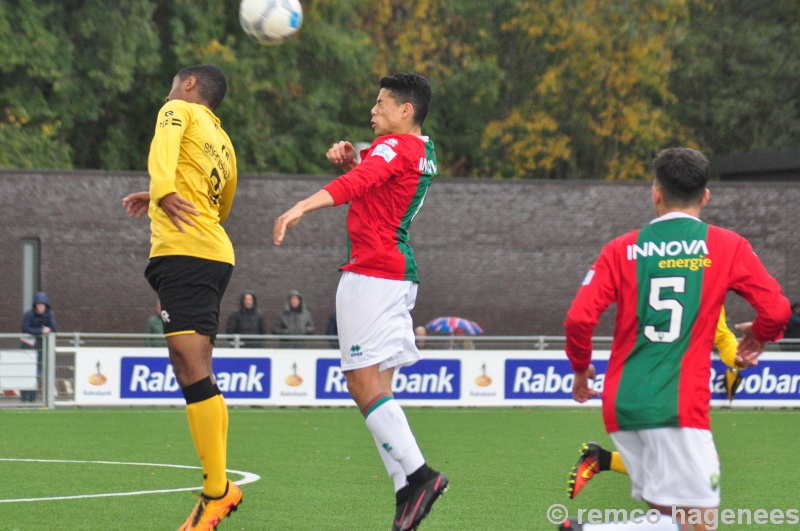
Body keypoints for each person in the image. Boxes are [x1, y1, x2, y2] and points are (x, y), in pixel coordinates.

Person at [560, 147, 790, 531]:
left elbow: (578, 319)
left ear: (656, 193)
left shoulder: (621, 250)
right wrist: (761, 338)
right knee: (699, 525)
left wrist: (581, 368)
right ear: (705, 196)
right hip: (677, 406)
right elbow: (778, 310)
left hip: (623, 405)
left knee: (667, 519)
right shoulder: (726, 246)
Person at [273, 73, 448, 531]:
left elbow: (361, 182)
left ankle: (421, 476)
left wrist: (300, 208)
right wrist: (353, 159)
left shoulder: (396, 148)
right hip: (395, 271)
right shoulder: (423, 149)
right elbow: (377, 178)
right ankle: (407, 490)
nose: (372, 111)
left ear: (405, 111)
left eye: (381, 103)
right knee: (377, 388)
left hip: (372, 273)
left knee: (360, 384)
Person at [121, 64, 242, 530]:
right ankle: (217, 488)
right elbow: (222, 204)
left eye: (175, 83)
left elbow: (165, 148)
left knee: (191, 367)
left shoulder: (177, 110)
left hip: (187, 253)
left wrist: (165, 189)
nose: (170, 91)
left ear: (189, 85)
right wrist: (159, 193)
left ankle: (218, 491)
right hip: (210, 251)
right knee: (194, 368)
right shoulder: (225, 143)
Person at [567, 307, 751, 499]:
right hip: (662, 388)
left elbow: (721, 337)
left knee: (692, 466)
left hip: (671, 389)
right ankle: (586, 522)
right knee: (699, 467)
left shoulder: (706, 285)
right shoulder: (650, 281)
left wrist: (736, 357)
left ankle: (601, 460)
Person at [20, 292, 57, 402]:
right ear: (35, 305)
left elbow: (53, 327)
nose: (40, 306)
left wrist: (48, 329)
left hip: (41, 349)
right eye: (38, 304)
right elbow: (25, 328)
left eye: (42, 304)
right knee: (26, 373)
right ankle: (25, 398)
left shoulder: (49, 314)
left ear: (46, 305)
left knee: (37, 374)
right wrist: (40, 331)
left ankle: (32, 398)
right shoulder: (29, 314)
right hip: (27, 348)